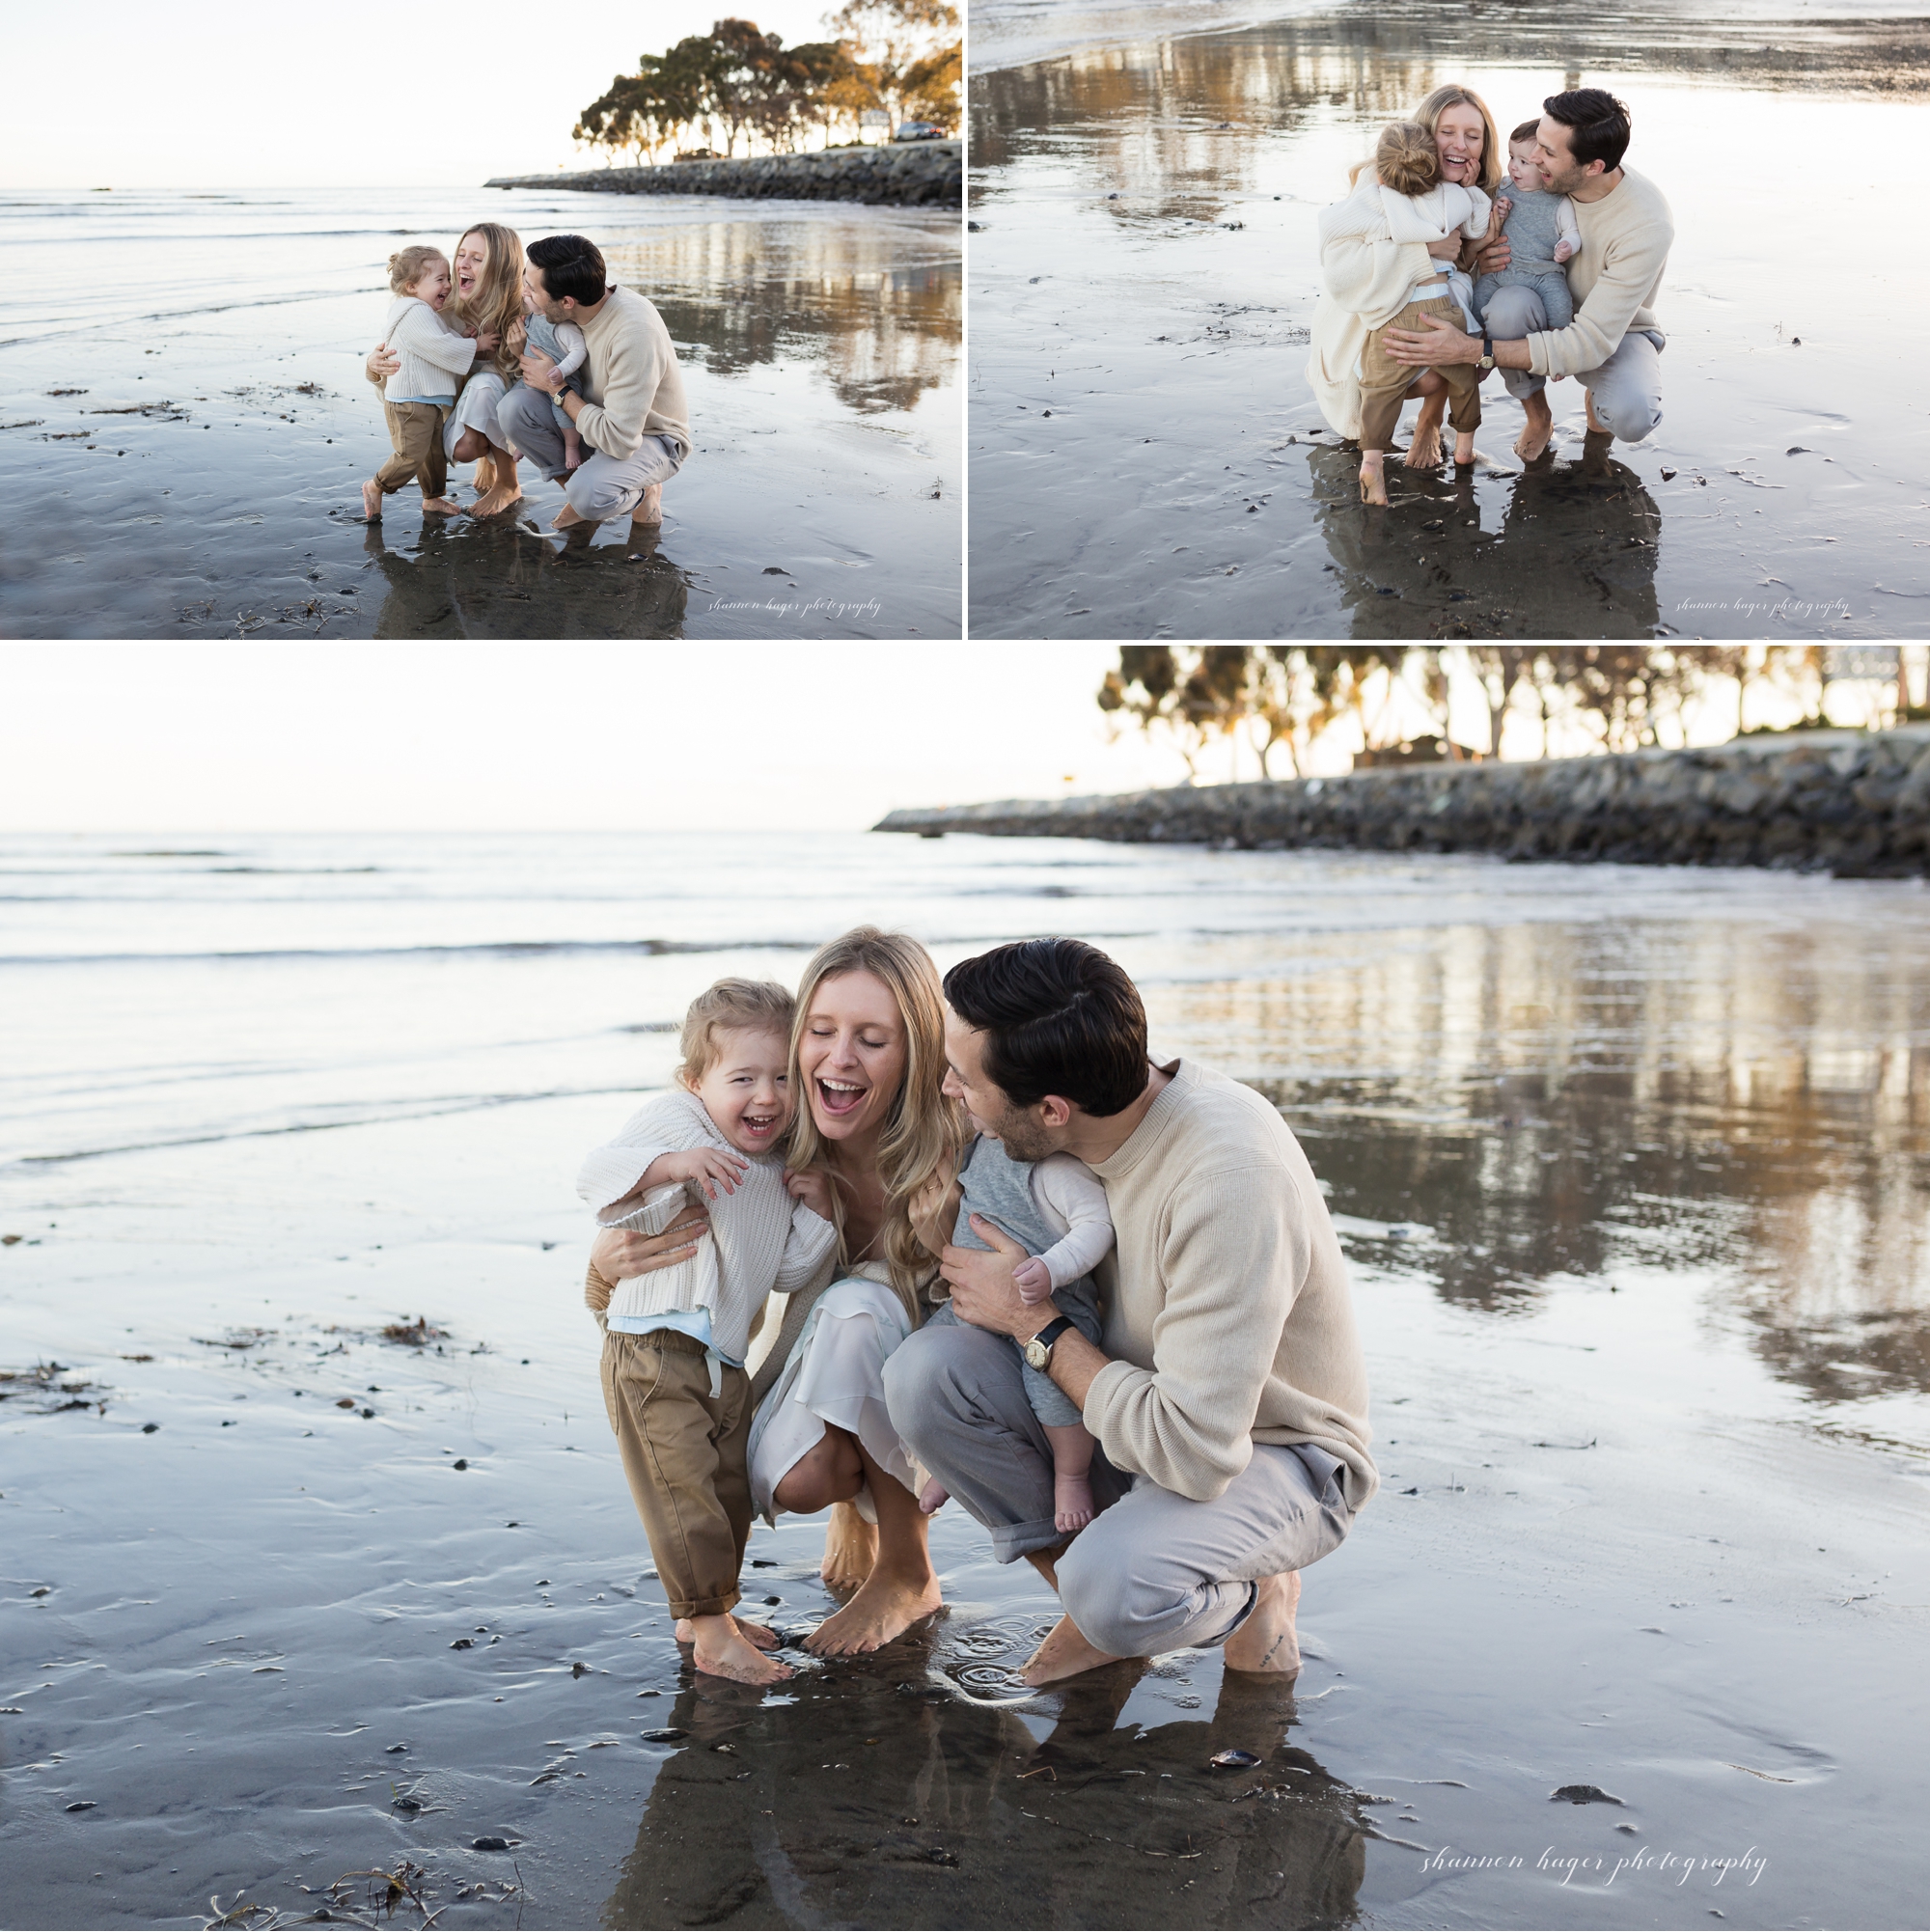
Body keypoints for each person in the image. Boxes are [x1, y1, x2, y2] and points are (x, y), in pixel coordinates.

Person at [884, 938, 1377, 1688]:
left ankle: (1251, 1594)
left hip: (1272, 1453)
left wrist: (1034, 1324)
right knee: (925, 1377)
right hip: (1131, 1411)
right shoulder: (1080, 1122)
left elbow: (1196, 1452)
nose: (950, 1091)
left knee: (1116, 1588)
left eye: (963, 1079)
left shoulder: (1226, 1178)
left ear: (1051, 1111)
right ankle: (1095, 1616)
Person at [585, 926, 958, 1659]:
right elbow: (634, 1216)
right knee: (783, 1480)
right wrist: (605, 1265)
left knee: (865, 1300)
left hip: (947, 1377)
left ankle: (907, 1568)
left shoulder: (960, 1140)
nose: (838, 1058)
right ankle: (791, 1557)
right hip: (805, 1359)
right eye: (821, 1032)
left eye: (872, 1039)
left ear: (917, 1050)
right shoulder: (776, 1141)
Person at [577, 977, 839, 1686]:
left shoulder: (778, 1162)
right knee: (682, 1492)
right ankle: (713, 1635)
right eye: (744, 1078)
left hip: (723, 1359)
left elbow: (786, 1273)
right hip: (653, 1347)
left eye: (785, 1079)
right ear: (696, 1082)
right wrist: (668, 1167)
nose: (768, 1097)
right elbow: (594, 1176)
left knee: (726, 1493)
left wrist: (816, 1215)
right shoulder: (676, 1122)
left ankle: (707, 1614)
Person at [1380, 88, 1673, 460]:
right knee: (1507, 308)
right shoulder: (1522, 184)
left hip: (1613, 329)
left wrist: (1475, 351)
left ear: (1593, 167)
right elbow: (1456, 262)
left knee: (1632, 415)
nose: (1533, 158)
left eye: (1548, 153)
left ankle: (1597, 411)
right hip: (1528, 294)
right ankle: (1538, 417)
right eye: (1538, 144)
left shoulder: (1645, 223)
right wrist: (1477, 256)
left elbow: (1592, 340)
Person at [915, 1131, 1115, 1532]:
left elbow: (1096, 1225)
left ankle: (1071, 1476)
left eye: (969, 1083)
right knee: (924, 1355)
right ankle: (953, 1465)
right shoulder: (983, 1145)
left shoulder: (1054, 1165)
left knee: (1051, 1390)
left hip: (1050, 1305)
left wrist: (1050, 1269)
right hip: (976, 1303)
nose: (954, 1089)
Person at [1307, 84, 1503, 483]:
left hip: (1428, 305)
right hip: (1368, 316)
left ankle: (1430, 420)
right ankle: (1400, 428)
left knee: (1466, 342)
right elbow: (1343, 270)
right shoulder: (1380, 182)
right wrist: (1424, 250)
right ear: (1424, 135)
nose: (1461, 145)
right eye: (1447, 131)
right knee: (1434, 364)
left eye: (1473, 135)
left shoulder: (1473, 192)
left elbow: (1456, 271)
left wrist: (1474, 251)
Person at [497, 235, 691, 537]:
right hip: (593, 419)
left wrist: (557, 390)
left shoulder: (633, 333)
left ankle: (642, 491)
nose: (523, 293)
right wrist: (519, 349)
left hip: (648, 437)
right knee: (513, 410)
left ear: (566, 302)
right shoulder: (568, 313)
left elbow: (620, 440)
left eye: (532, 289)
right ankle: (580, 490)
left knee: (589, 494)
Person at [1345, 122, 1492, 505]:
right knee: (1464, 379)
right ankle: (1463, 449)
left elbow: (1343, 227)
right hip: (1439, 307)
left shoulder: (1377, 198)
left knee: (1378, 388)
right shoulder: (1448, 195)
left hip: (1393, 313)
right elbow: (1477, 222)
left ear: (1382, 169)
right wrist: (1470, 190)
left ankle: (1372, 462)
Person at [365, 224, 529, 517]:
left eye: (477, 259)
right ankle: (468, 469)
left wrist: (518, 353)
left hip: (513, 412)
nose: (462, 265)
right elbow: (407, 352)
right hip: (449, 408)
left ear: (500, 267)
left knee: (489, 382)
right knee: (454, 448)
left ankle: (508, 482)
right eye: (461, 254)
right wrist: (373, 366)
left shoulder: (521, 313)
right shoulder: (439, 310)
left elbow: (533, 380)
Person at [1475, 120, 1583, 334]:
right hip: (1500, 271)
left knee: (1560, 303)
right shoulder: (1504, 187)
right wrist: (1497, 210)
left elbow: (1572, 232)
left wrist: (1567, 245)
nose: (1514, 165)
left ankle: (1556, 343)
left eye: (1524, 162)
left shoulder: (1558, 201)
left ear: (1544, 167)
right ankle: (1479, 348)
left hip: (1542, 272)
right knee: (1476, 302)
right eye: (1511, 157)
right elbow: (1482, 217)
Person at [520, 286, 589, 473]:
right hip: (533, 378)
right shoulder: (533, 317)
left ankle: (571, 446)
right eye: (525, 285)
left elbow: (579, 350)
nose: (524, 291)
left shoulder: (562, 326)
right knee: (513, 396)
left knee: (563, 414)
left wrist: (562, 370)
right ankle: (521, 441)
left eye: (531, 289)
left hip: (559, 379)